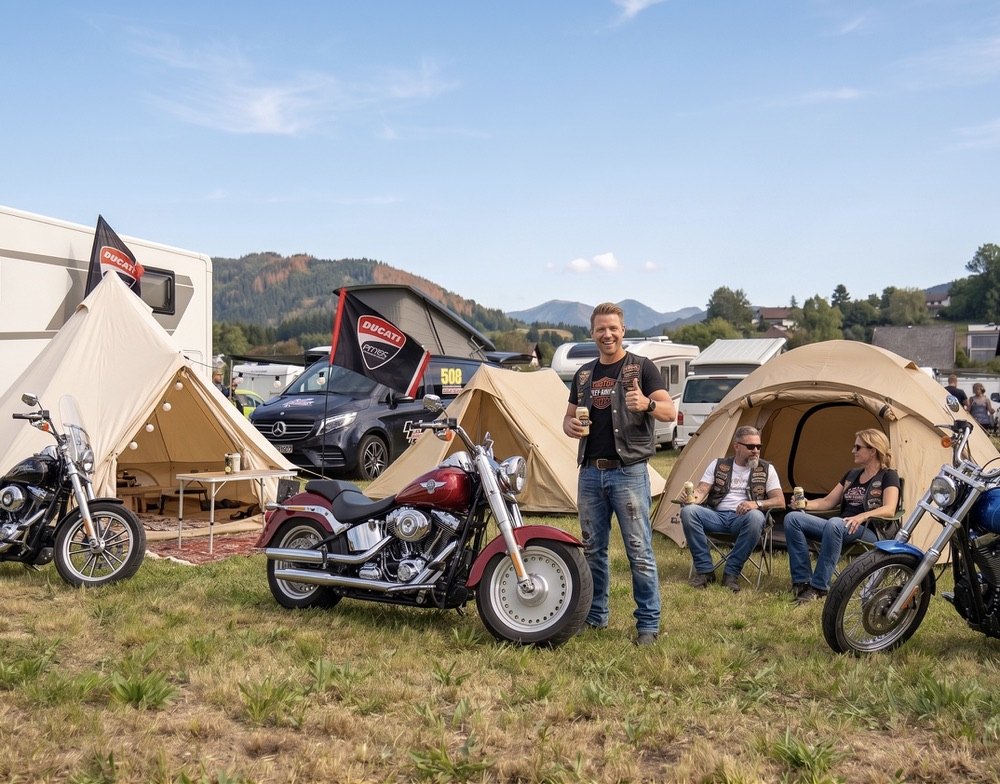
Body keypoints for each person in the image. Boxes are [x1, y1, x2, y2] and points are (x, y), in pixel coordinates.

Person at [563, 303, 676, 646]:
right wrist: (570, 426)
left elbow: (670, 411)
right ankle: (596, 616)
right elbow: (568, 420)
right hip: (591, 474)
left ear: (623, 330)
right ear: (592, 333)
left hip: (628, 472)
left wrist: (648, 405)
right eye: (600, 329)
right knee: (593, 550)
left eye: (613, 328)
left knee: (638, 550)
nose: (607, 334)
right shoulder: (583, 374)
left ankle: (648, 624)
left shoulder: (642, 368)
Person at [782, 429, 900, 604]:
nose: (853, 451)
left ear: (873, 450)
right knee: (793, 519)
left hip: (869, 530)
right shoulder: (851, 475)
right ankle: (802, 582)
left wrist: (862, 516)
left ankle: (819, 587)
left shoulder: (888, 475)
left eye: (858, 447)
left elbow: (890, 509)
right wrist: (805, 504)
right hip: (839, 527)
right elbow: (828, 502)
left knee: (835, 523)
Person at [679, 426, 784, 593]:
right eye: (750, 447)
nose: (755, 451)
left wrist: (756, 504)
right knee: (688, 511)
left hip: (745, 519)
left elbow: (780, 501)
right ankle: (705, 571)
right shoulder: (718, 465)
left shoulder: (766, 469)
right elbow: (701, 490)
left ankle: (731, 573)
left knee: (756, 517)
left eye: (758, 447)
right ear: (737, 446)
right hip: (716, 516)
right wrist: (692, 498)